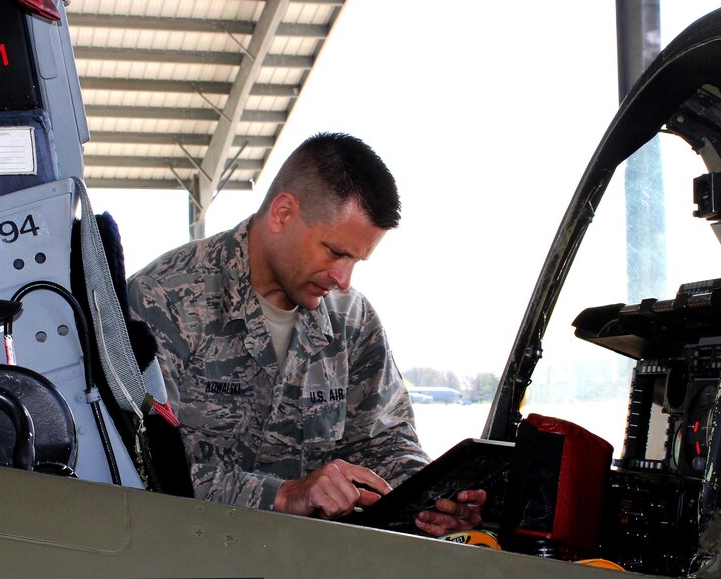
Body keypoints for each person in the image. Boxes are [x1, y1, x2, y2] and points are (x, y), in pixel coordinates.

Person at [128, 132, 483, 536]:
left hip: (314, 571)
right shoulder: (163, 299)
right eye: (335, 252)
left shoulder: (351, 320)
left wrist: (433, 499)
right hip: (190, 572)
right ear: (282, 214)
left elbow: (384, 443)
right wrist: (285, 495)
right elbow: (139, 467)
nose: (344, 279)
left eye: (357, 260)